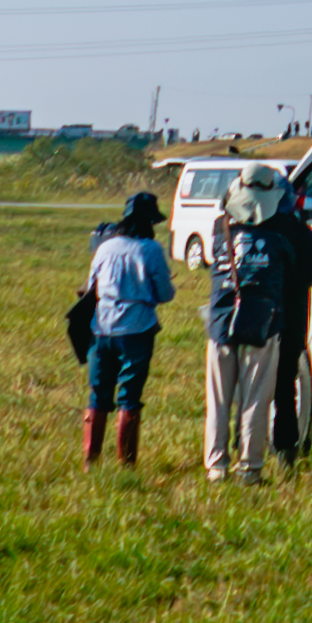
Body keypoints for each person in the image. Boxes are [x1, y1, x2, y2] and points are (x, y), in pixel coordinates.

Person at [202, 165, 295, 479]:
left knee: (218, 399)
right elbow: (298, 270)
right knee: (255, 399)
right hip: (263, 323)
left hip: (220, 321)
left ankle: (216, 467)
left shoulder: (220, 226)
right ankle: (251, 468)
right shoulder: (281, 231)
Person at [81, 185, 173, 467]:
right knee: (129, 397)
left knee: (98, 395)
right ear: (150, 222)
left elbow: (89, 289)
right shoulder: (151, 249)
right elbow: (166, 294)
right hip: (136, 330)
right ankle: (126, 463)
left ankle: (90, 460)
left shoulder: (105, 247)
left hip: (101, 329)